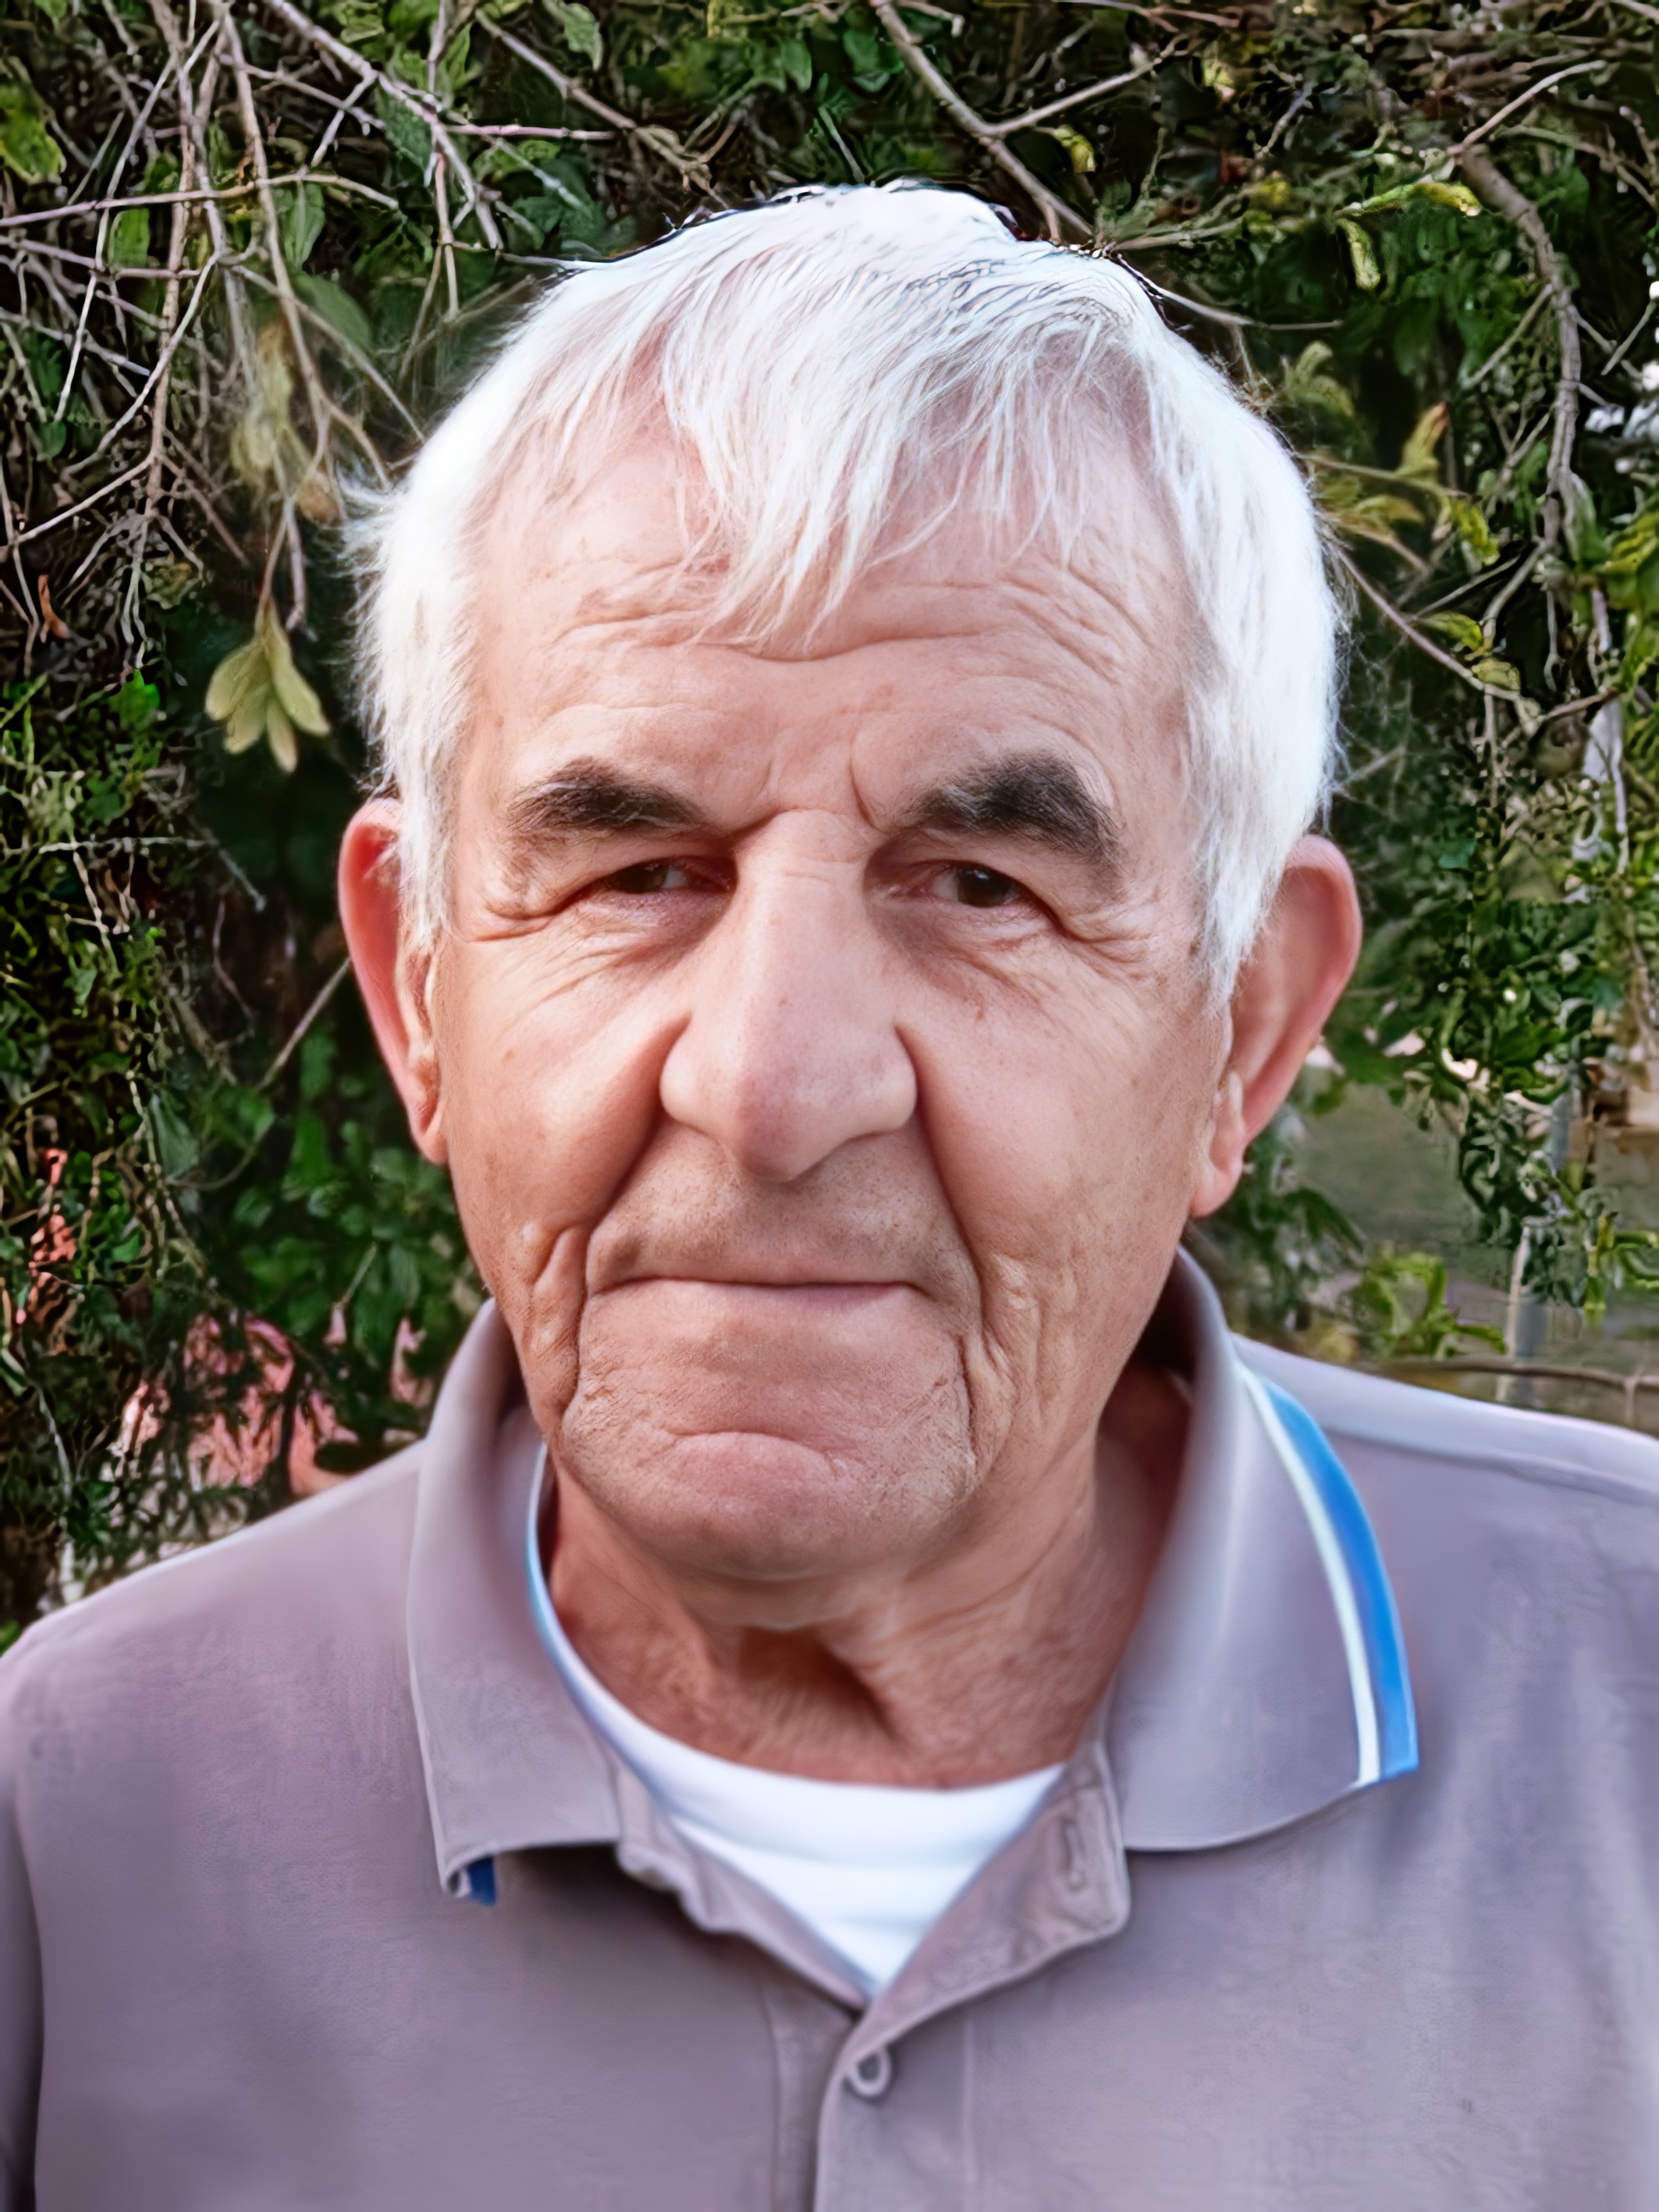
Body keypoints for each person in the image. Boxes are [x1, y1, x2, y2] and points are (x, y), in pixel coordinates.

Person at [3, 184, 1657, 2212]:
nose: (773, 1087)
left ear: (1242, 1031)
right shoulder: (74, 1828)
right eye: (637, 874)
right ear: (422, 987)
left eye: (980, 886)